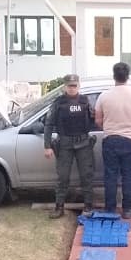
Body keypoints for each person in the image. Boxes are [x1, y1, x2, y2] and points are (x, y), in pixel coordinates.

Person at [94, 61, 131, 218]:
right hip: (130, 140)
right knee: (128, 175)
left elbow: (98, 120)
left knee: (110, 175)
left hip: (110, 139)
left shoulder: (104, 96)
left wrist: (110, 128)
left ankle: (110, 209)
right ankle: (128, 209)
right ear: (128, 76)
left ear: (114, 76)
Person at [43, 74, 95, 218]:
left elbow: (93, 120)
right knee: (63, 177)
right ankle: (59, 207)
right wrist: (47, 146)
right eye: (69, 86)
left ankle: (88, 206)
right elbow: (49, 124)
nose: (72, 88)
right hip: (65, 144)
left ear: (78, 86)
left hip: (83, 143)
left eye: (74, 86)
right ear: (65, 87)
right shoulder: (58, 102)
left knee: (86, 176)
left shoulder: (85, 101)